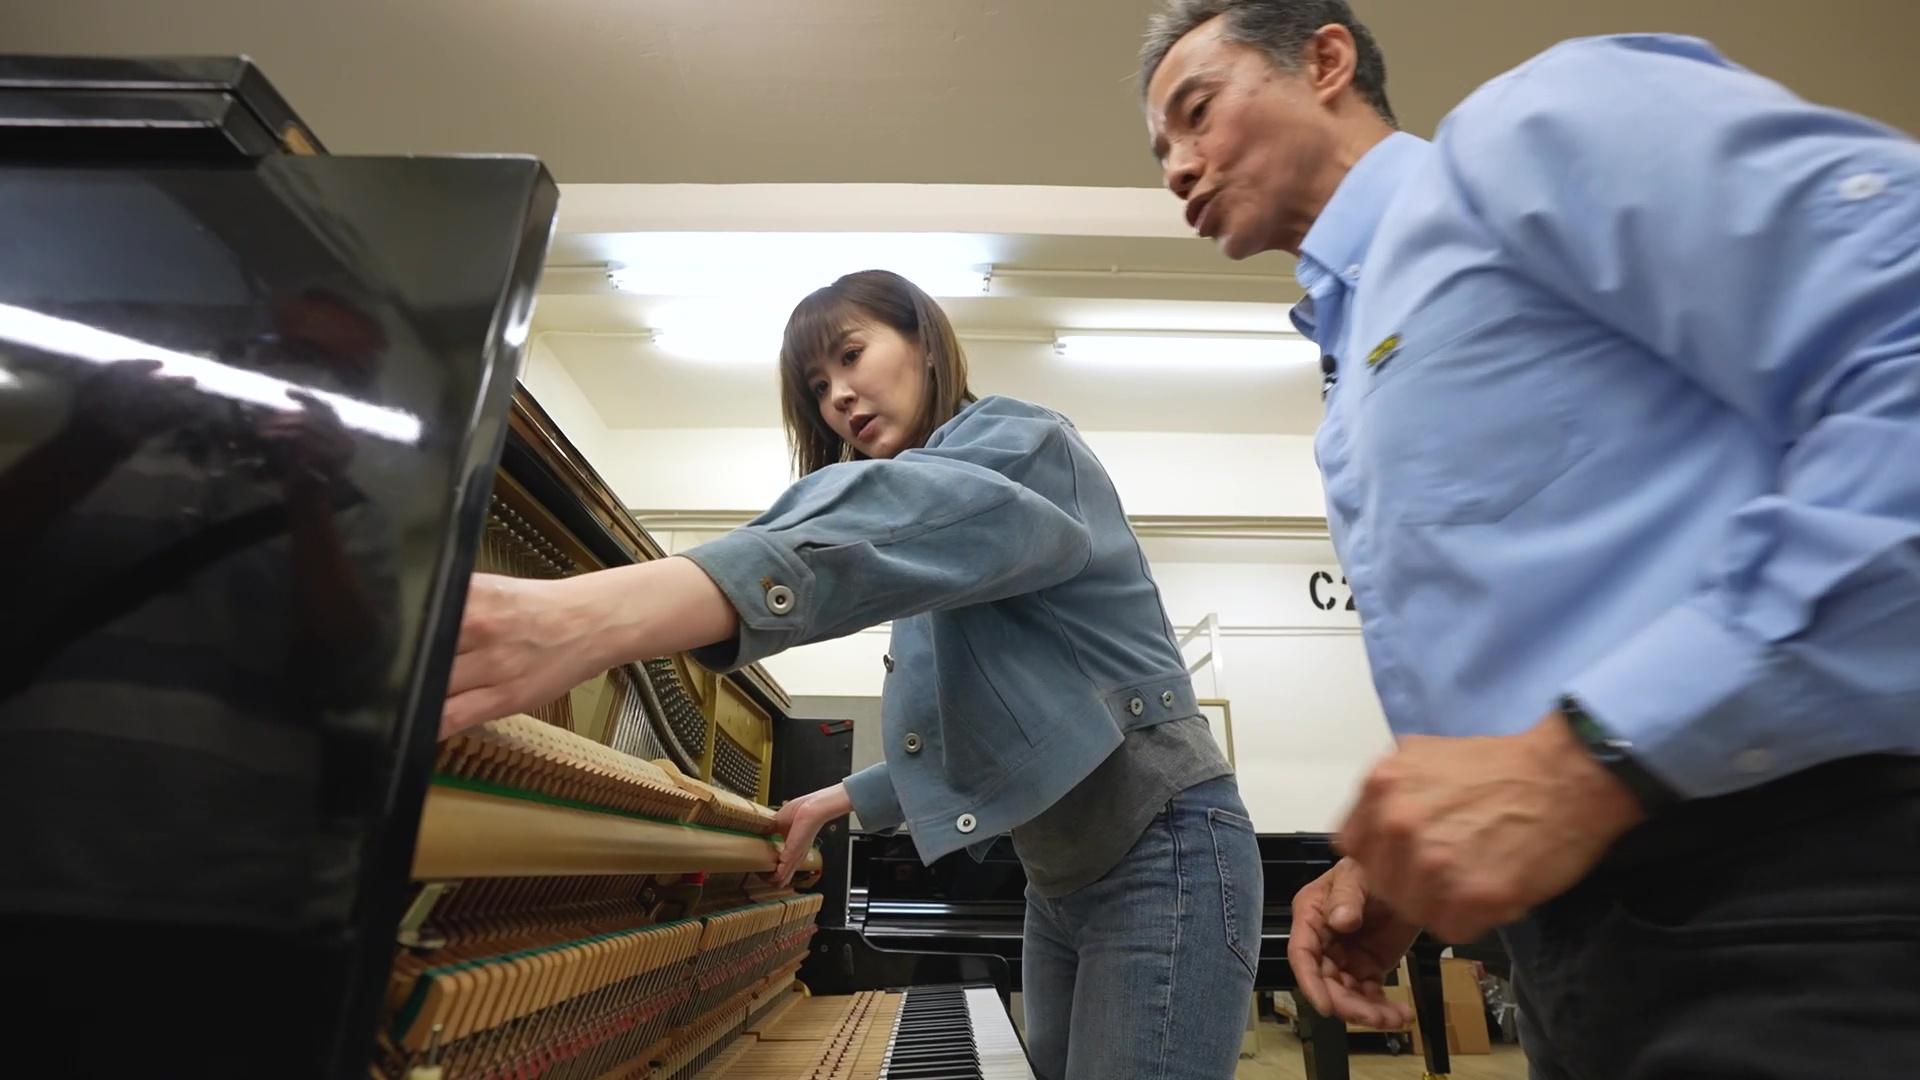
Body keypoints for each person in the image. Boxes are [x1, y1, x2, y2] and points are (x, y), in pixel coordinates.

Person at [1140, 3, 1920, 1077]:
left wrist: (1596, 754)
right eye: (1159, 150)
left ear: (1326, 60)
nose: (1177, 167)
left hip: (1804, 894)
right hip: (1587, 948)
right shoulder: (1356, 360)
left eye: (1196, 112)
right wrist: (1424, 854)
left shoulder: (1537, 130)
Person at [440, 270, 1262, 1080]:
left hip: (1163, 850)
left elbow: (902, 509)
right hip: (1062, 881)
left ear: (927, 344)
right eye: (818, 383)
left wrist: (586, 616)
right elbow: (995, 729)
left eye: (852, 355)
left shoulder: (1020, 446)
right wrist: (839, 798)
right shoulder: (942, 557)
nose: (837, 394)